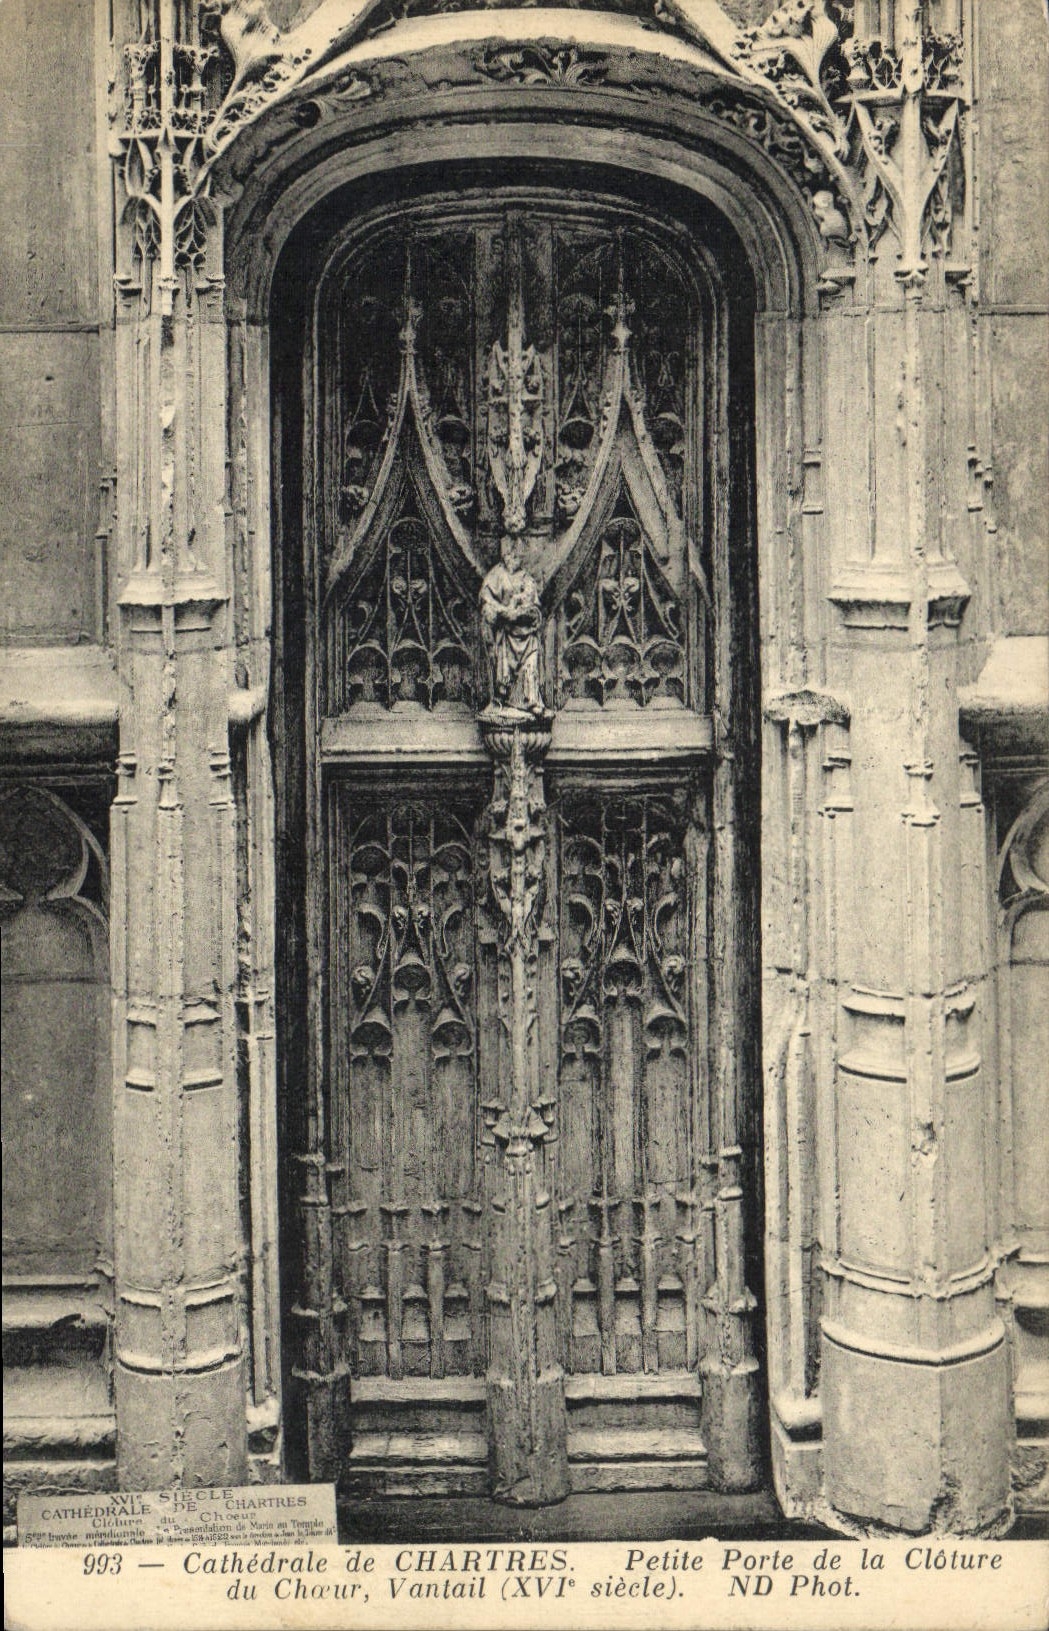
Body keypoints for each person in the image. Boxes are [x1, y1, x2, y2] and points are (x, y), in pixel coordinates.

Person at [479, 533, 544, 715]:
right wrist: (502, 611)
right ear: (504, 555)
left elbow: (534, 606)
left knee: (530, 663)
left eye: (517, 555)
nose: (514, 558)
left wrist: (524, 611)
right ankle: (501, 698)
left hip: (525, 631)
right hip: (506, 633)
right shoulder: (496, 575)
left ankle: (531, 701)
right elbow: (486, 599)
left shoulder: (526, 578)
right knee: (503, 668)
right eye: (510, 554)